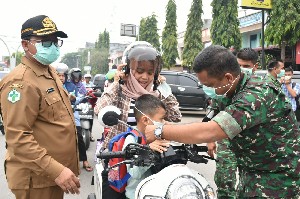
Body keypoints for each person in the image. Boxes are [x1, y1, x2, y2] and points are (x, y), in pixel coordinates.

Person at [145, 45, 300, 198]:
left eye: (210, 86)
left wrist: (160, 130)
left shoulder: (257, 94)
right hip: (253, 171)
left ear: (228, 78)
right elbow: (209, 119)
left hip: (278, 178)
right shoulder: (232, 85)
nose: (208, 90)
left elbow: (211, 130)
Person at [0, 15, 80, 199]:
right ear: (25, 45)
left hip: (50, 177)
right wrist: (56, 170)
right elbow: (18, 138)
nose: (52, 47)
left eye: (54, 41)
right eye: (45, 42)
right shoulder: (21, 82)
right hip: (36, 179)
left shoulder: (48, 71)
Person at [94, 41, 182, 199]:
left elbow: (175, 115)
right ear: (128, 69)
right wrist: (116, 83)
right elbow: (99, 108)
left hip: (153, 158)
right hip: (120, 158)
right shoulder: (120, 90)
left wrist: (163, 87)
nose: (145, 77)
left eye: (150, 72)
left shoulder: (157, 93)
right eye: (139, 71)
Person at [207, 47, 260, 198]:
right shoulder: (224, 86)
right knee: (225, 180)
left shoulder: (260, 89)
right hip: (227, 141)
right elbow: (213, 113)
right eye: (239, 65)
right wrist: (210, 140)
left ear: (255, 67)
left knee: (250, 185)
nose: (242, 69)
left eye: (246, 66)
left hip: (252, 145)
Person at [121, 94, 170, 199]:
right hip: (137, 194)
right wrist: (148, 151)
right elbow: (135, 173)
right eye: (161, 119)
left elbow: (171, 163)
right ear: (145, 120)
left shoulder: (159, 137)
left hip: (159, 193)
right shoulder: (132, 140)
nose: (164, 123)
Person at [53, 63, 93, 172]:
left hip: (72, 114)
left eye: (63, 76)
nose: (61, 78)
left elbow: (78, 97)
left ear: (66, 76)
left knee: (79, 136)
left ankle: (84, 160)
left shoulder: (72, 86)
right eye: (58, 75)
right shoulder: (51, 86)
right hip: (57, 116)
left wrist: (75, 98)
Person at [69, 68, 95, 142]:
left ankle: (90, 133)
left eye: (78, 75)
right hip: (72, 104)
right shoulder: (69, 84)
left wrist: (89, 93)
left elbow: (85, 93)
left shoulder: (82, 85)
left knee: (90, 113)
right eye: (75, 75)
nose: (77, 77)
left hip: (82, 103)